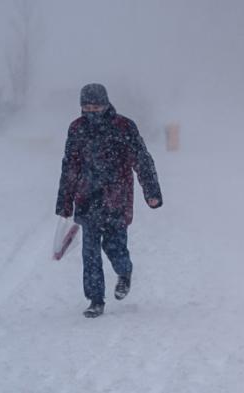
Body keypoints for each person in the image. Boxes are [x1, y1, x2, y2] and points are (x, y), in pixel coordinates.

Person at [56, 83, 162, 318]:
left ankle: (124, 272)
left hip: (117, 198)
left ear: (106, 104)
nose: (91, 111)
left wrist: (152, 192)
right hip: (87, 198)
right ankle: (95, 300)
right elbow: (70, 166)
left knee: (114, 247)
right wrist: (65, 202)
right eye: (86, 107)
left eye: (95, 106)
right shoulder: (77, 129)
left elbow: (142, 160)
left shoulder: (123, 126)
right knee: (90, 252)